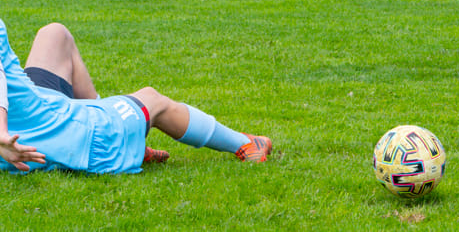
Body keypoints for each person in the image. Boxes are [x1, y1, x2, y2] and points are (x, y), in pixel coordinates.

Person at [0, 19, 272, 174]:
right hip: (48, 139)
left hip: (31, 112)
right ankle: (247, 144)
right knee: (153, 99)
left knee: (54, 34)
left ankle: (119, 131)